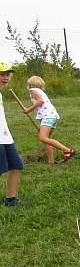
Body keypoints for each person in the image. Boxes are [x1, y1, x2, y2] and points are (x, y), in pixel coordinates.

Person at [22, 76, 76, 165]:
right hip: (52, 116)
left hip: (48, 116)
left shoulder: (33, 91)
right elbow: (39, 103)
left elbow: (40, 101)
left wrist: (28, 110)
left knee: (43, 138)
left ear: (30, 84)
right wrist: (27, 108)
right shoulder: (40, 91)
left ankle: (68, 151)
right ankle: (51, 161)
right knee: (47, 139)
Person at [0, 62, 23, 207]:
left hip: (5, 136)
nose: (5, 77)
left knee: (15, 166)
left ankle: (10, 199)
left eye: (7, 74)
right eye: (2, 74)